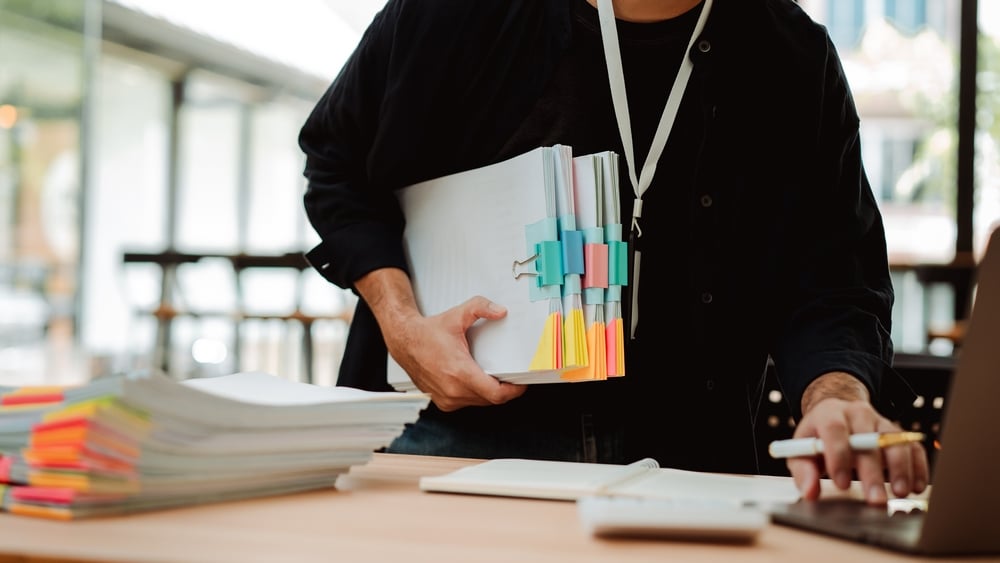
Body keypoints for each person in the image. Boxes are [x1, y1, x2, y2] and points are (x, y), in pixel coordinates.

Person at [298, 0, 929, 505]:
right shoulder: (458, 13)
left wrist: (836, 396)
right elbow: (336, 164)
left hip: (687, 474)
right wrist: (402, 324)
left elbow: (836, 282)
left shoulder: (792, 57)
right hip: (447, 448)